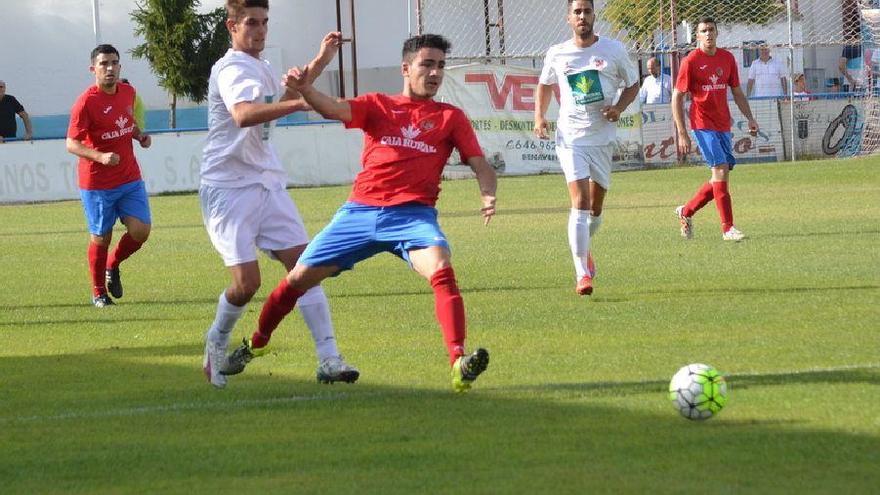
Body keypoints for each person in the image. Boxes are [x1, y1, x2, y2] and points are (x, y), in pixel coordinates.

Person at [222, 33, 497, 393]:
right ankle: (256, 343)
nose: (435, 73)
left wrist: (488, 192)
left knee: (442, 269)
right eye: (427, 64)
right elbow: (334, 108)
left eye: (440, 66)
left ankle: (458, 362)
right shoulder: (379, 105)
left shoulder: (450, 118)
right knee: (295, 281)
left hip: (412, 217)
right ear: (406, 68)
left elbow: (480, 164)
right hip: (359, 213)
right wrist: (305, 89)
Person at [200, 0, 360, 389]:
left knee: (305, 268)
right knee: (246, 285)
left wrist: (322, 59)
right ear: (231, 26)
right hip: (228, 188)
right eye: (251, 23)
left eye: (265, 22)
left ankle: (329, 359)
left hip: (266, 182)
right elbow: (242, 114)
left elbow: (290, 88)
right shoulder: (231, 68)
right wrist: (299, 103)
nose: (260, 30)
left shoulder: (261, 65)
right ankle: (216, 342)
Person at [534, 0, 639, 296]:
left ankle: (585, 248)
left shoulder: (613, 50)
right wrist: (540, 116)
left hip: (602, 138)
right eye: (577, 12)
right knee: (579, 202)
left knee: (595, 208)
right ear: (569, 18)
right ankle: (582, 273)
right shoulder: (557, 53)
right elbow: (544, 84)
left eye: (587, 11)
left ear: (594, 16)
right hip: (571, 139)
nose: (582, 16)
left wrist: (618, 107)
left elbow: (633, 83)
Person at [66, 44, 153, 307]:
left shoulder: (128, 92)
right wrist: (100, 156)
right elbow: (71, 143)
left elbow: (127, 121)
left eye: (114, 63)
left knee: (141, 231)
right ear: (93, 69)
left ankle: (112, 265)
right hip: (97, 184)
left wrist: (139, 136)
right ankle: (98, 292)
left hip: (129, 178)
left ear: (120, 67)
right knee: (101, 238)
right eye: (103, 64)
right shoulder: (86, 102)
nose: (109, 68)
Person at [672, 17, 759, 242]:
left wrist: (749, 118)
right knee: (720, 169)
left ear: (717, 33)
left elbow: (737, 92)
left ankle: (686, 211)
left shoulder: (727, 58)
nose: (708, 34)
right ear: (697, 36)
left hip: (722, 124)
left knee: (719, 176)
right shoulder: (691, 61)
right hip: (702, 124)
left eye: (711, 30)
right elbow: (677, 97)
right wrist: (682, 132)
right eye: (703, 31)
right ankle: (727, 228)